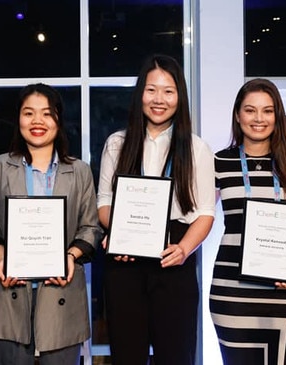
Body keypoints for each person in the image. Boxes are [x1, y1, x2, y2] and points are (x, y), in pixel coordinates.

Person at [97, 54, 215, 365]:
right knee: (126, 355)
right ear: (140, 94)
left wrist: (185, 249)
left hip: (174, 257)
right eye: (151, 90)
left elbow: (205, 213)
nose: (158, 99)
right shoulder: (116, 143)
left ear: (180, 97)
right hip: (126, 263)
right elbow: (104, 203)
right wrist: (119, 231)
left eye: (168, 91)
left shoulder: (196, 148)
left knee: (176, 355)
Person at [0, 83, 102, 365]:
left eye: (46, 113)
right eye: (28, 113)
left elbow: (91, 228)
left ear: (58, 119)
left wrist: (70, 257)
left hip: (62, 293)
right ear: (18, 118)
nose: (37, 122)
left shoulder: (79, 171)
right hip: (10, 293)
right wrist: (2, 256)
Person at [209, 78, 286, 365]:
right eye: (250, 110)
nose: (259, 119)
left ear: (277, 116)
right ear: (237, 115)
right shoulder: (218, 163)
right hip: (232, 289)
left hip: (285, 289)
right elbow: (199, 217)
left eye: (267, 111)